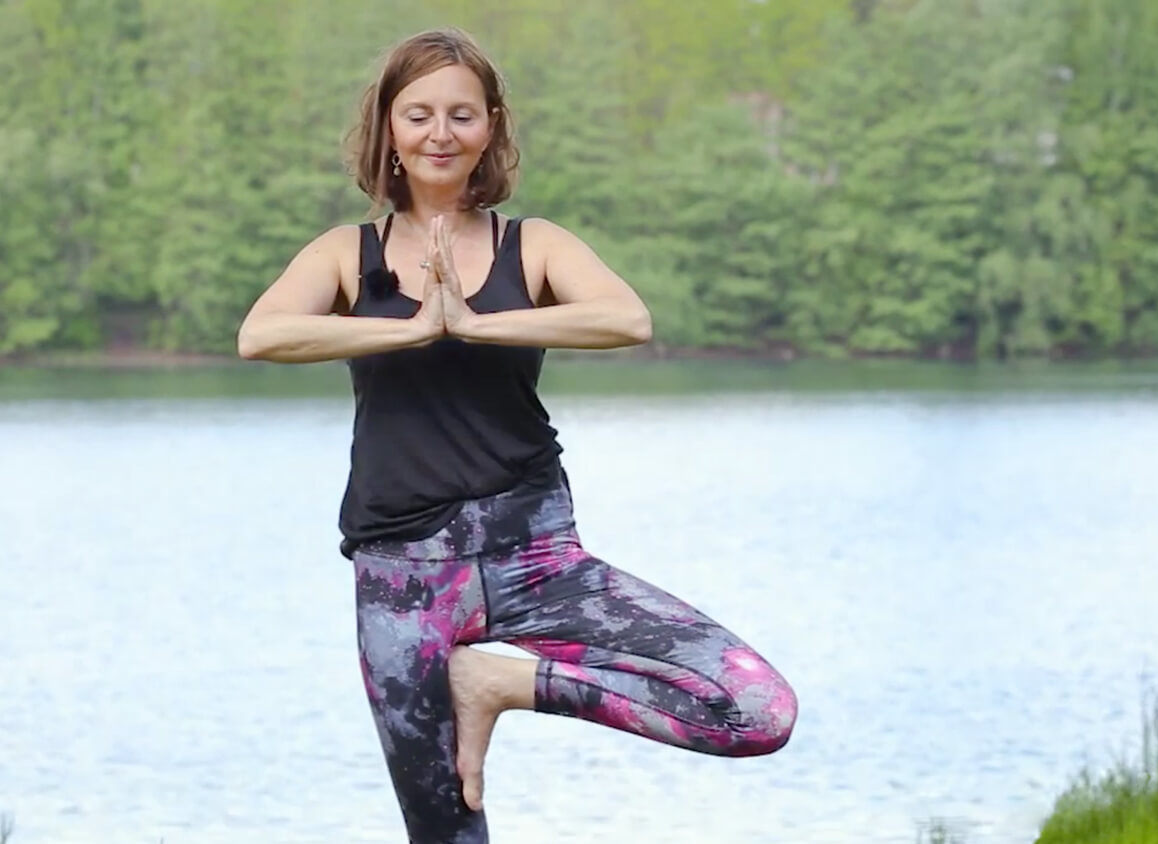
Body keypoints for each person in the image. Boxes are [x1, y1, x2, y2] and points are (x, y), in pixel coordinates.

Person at [236, 27, 797, 844]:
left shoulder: (531, 245)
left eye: (461, 114)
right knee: (444, 829)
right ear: (388, 127)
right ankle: (484, 686)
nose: (440, 134)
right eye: (418, 114)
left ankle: (500, 682)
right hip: (404, 579)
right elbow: (262, 335)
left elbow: (626, 318)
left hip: (537, 558)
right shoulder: (345, 257)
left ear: (491, 125)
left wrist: (475, 321)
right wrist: (414, 329)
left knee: (755, 706)